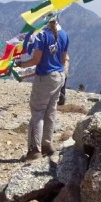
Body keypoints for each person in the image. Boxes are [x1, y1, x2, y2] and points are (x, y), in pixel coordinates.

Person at [16, 13, 69, 160]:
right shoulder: (64, 35)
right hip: (59, 76)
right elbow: (63, 59)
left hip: (44, 77)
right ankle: (47, 145)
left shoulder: (42, 35)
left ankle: (34, 150)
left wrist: (21, 64)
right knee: (51, 111)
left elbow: (35, 60)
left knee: (38, 112)